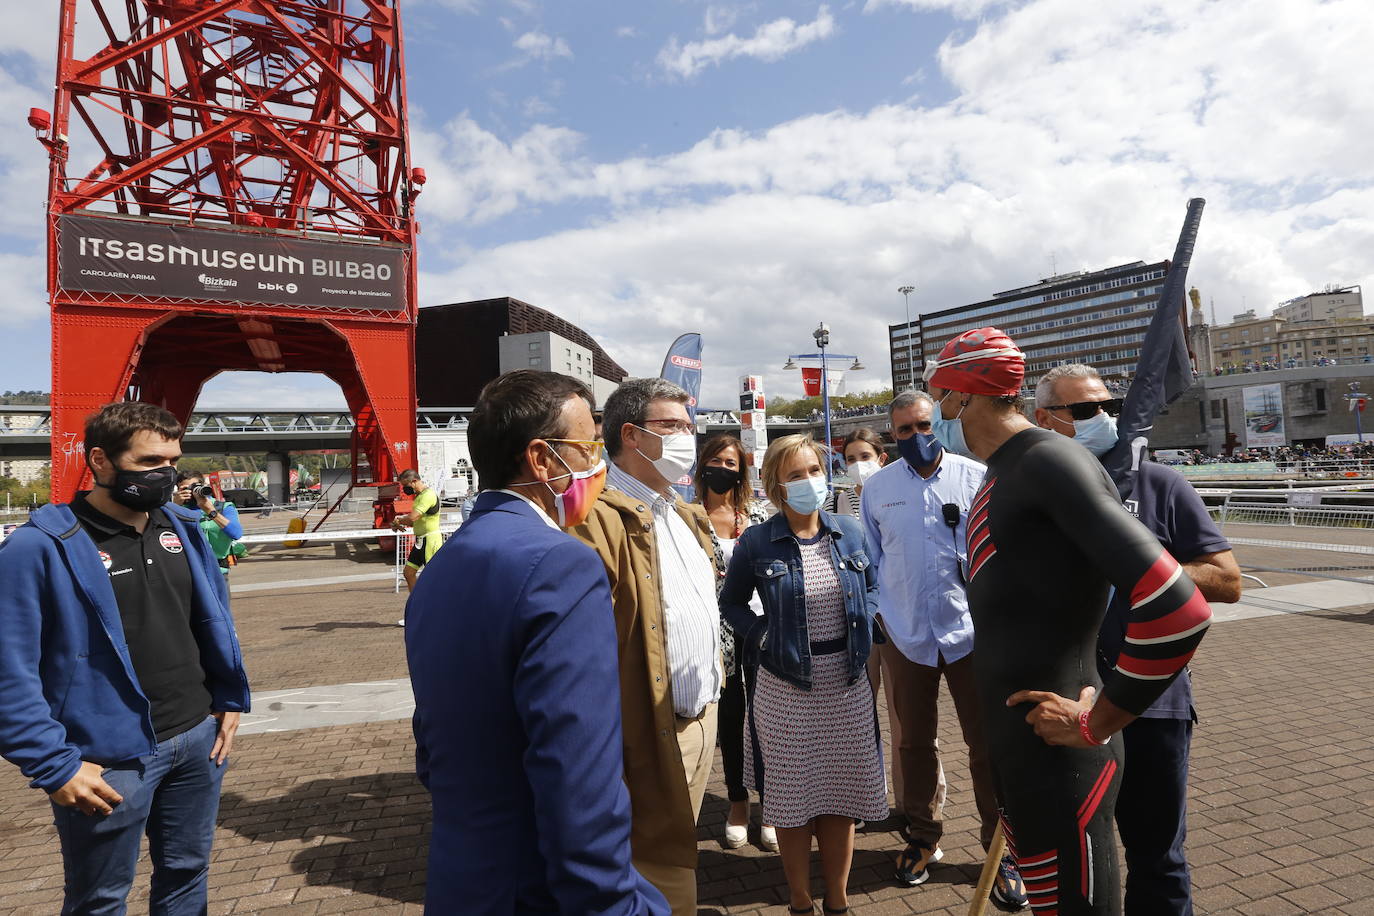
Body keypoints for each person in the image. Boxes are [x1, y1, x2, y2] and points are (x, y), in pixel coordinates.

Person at [924, 328, 1213, 916]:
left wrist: (1100, 719)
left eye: (938, 399)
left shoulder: (1048, 463)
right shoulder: (1006, 470)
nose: (935, 416)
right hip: (1029, 756)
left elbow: (1179, 605)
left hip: (1063, 759)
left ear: (963, 397)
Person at [405, 370, 667, 915]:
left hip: (465, 877)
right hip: (540, 889)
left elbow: (431, 747)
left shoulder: (442, 566)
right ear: (543, 460)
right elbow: (577, 771)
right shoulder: (561, 564)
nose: (598, 460)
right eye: (589, 444)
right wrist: (616, 904)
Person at [0, 401, 250, 914]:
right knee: (101, 899)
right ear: (100, 460)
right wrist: (54, 766)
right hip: (108, 761)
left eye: (173, 461)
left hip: (198, 741)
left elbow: (211, 620)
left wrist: (229, 697)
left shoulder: (180, 527)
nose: (167, 475)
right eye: (150, 463)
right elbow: (9, 669)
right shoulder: (39, 548)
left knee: (186, 876)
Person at [1035, 363, 1241, 915]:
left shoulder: (1158, 483)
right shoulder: (1027, 492)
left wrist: (1144, 565)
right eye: (1081, 411)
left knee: (1157, 856)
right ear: (1043, 419)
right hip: (1064, 698)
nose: (1100, 418)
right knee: (1071, 850)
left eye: (1105, 406)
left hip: (1151, 702)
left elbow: (1227, 580)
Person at [859, 391, 1024, 909]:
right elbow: (874, 556)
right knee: (914, 743)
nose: (916, 436)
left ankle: (1002, 850)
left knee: (987, 744)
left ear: (941, 423)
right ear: (892, 435)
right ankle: (923, 835)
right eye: (904, 430)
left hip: (971, 634)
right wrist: (883, 614)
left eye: (924, 424)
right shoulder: (877, 488)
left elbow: (1001, 556)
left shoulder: (976, 477)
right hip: (907, 634)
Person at [569, 378, 722, 916]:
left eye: (690, 425)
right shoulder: (593, 521)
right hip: (647, 738)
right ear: (631, 435)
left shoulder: (678, 511)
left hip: (700, 723)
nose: (689, 438)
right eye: (674, 427)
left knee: (674, 859)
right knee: (652, 875)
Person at [720, 434, 887, 916]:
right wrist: (762, 636)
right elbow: (730, 601)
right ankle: (799, 901)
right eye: (795, 475)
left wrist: (870, 617)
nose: (809, 482)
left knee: (840, 799)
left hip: (848, 682)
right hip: (785, 688)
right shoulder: (757, 540)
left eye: (814, 470)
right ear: (776, 484)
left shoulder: (849, 532)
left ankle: (837, 900)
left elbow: (871, 586)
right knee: (793, 803)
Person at [692, 433, 776, 853]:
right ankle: (738, 801)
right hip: (713, 635)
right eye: (716, 461)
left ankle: (773, 804)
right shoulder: (687, 517)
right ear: (702, 464)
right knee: (731, 719)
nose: (723, 469)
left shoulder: (757, 515)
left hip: (760, 630)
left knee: (768, 719)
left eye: (731, 463)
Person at [176, 470, 244, 574]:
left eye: (194, 486)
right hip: (189, 570)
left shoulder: (224, 507)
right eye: (186, 488)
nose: (192, 491)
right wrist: (174, 506)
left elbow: (236, 533)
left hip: (218, 570)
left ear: (203, 486)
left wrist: (211, 511)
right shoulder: (176, 509)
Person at [392, 468, 441, 594]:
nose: (404, 489)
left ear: (414, 481)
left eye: (405, 486)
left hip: (430, 541)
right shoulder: (419, 497)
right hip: (420, 541)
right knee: (408, 573)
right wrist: (397, 522)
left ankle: (437, 604)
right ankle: (415, 601)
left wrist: (399, 521)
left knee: (433, 577)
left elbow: (413, 517)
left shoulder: (428, 495)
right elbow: (413, 520)